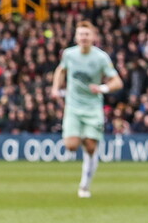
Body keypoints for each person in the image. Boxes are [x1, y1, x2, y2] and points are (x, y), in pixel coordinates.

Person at [50, 21, 122, 198]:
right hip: (73, 107)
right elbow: (60, 70)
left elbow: (117, 82)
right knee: (71, 145)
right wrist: (55, 88)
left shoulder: (101, 57)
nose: (83, 37)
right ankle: (84, 135)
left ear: (93, 37)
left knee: (90, 147)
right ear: (76, 37)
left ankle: (84, 185)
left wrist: (102, 88)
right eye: (81, 34)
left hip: (92, 108)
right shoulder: (69, 54)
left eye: (87, 34)